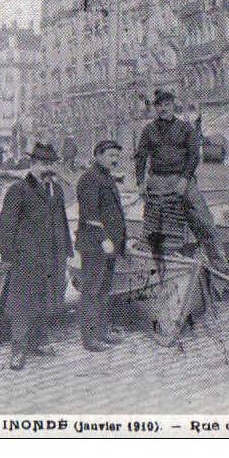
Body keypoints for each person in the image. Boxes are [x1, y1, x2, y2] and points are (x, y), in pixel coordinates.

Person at [134, 89, 229, 274]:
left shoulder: (186, 128)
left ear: (173, 106)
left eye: (167, 105)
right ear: (155, 108)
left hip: (182, 179)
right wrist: (140, 182)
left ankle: (220, 267)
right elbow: (141, 157)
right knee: (154, 224)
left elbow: (194, 157)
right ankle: (153, 267)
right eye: (159, 105)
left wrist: (185, 179)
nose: (163, 109)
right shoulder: (149, 130)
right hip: (158, 179)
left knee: (204, 220)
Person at [0, 142, 73, 371]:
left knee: (47, 299)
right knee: (22, 304)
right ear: (33, 164)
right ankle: (18, 349)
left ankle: (38, 340)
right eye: (43, 164)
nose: (49, 168)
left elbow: (61, 221)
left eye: (51, 164)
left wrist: (66, 250)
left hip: (52, 256)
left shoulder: (56, 190)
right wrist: (8, 256)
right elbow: (5, 225)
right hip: (26, 258)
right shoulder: (18, 189)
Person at [75, 140, 127, 352]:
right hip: (96, 245)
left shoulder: (106, 177)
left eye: (117, 156)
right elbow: (89, 215)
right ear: (98, 155)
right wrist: (104, 239)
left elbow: (113, 213)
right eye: (110, 155)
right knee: (91, 291)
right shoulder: (89, 178)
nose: (114, 160)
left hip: (108, 245)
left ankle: (102, 332)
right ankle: (89, 338)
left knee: (104, 290)